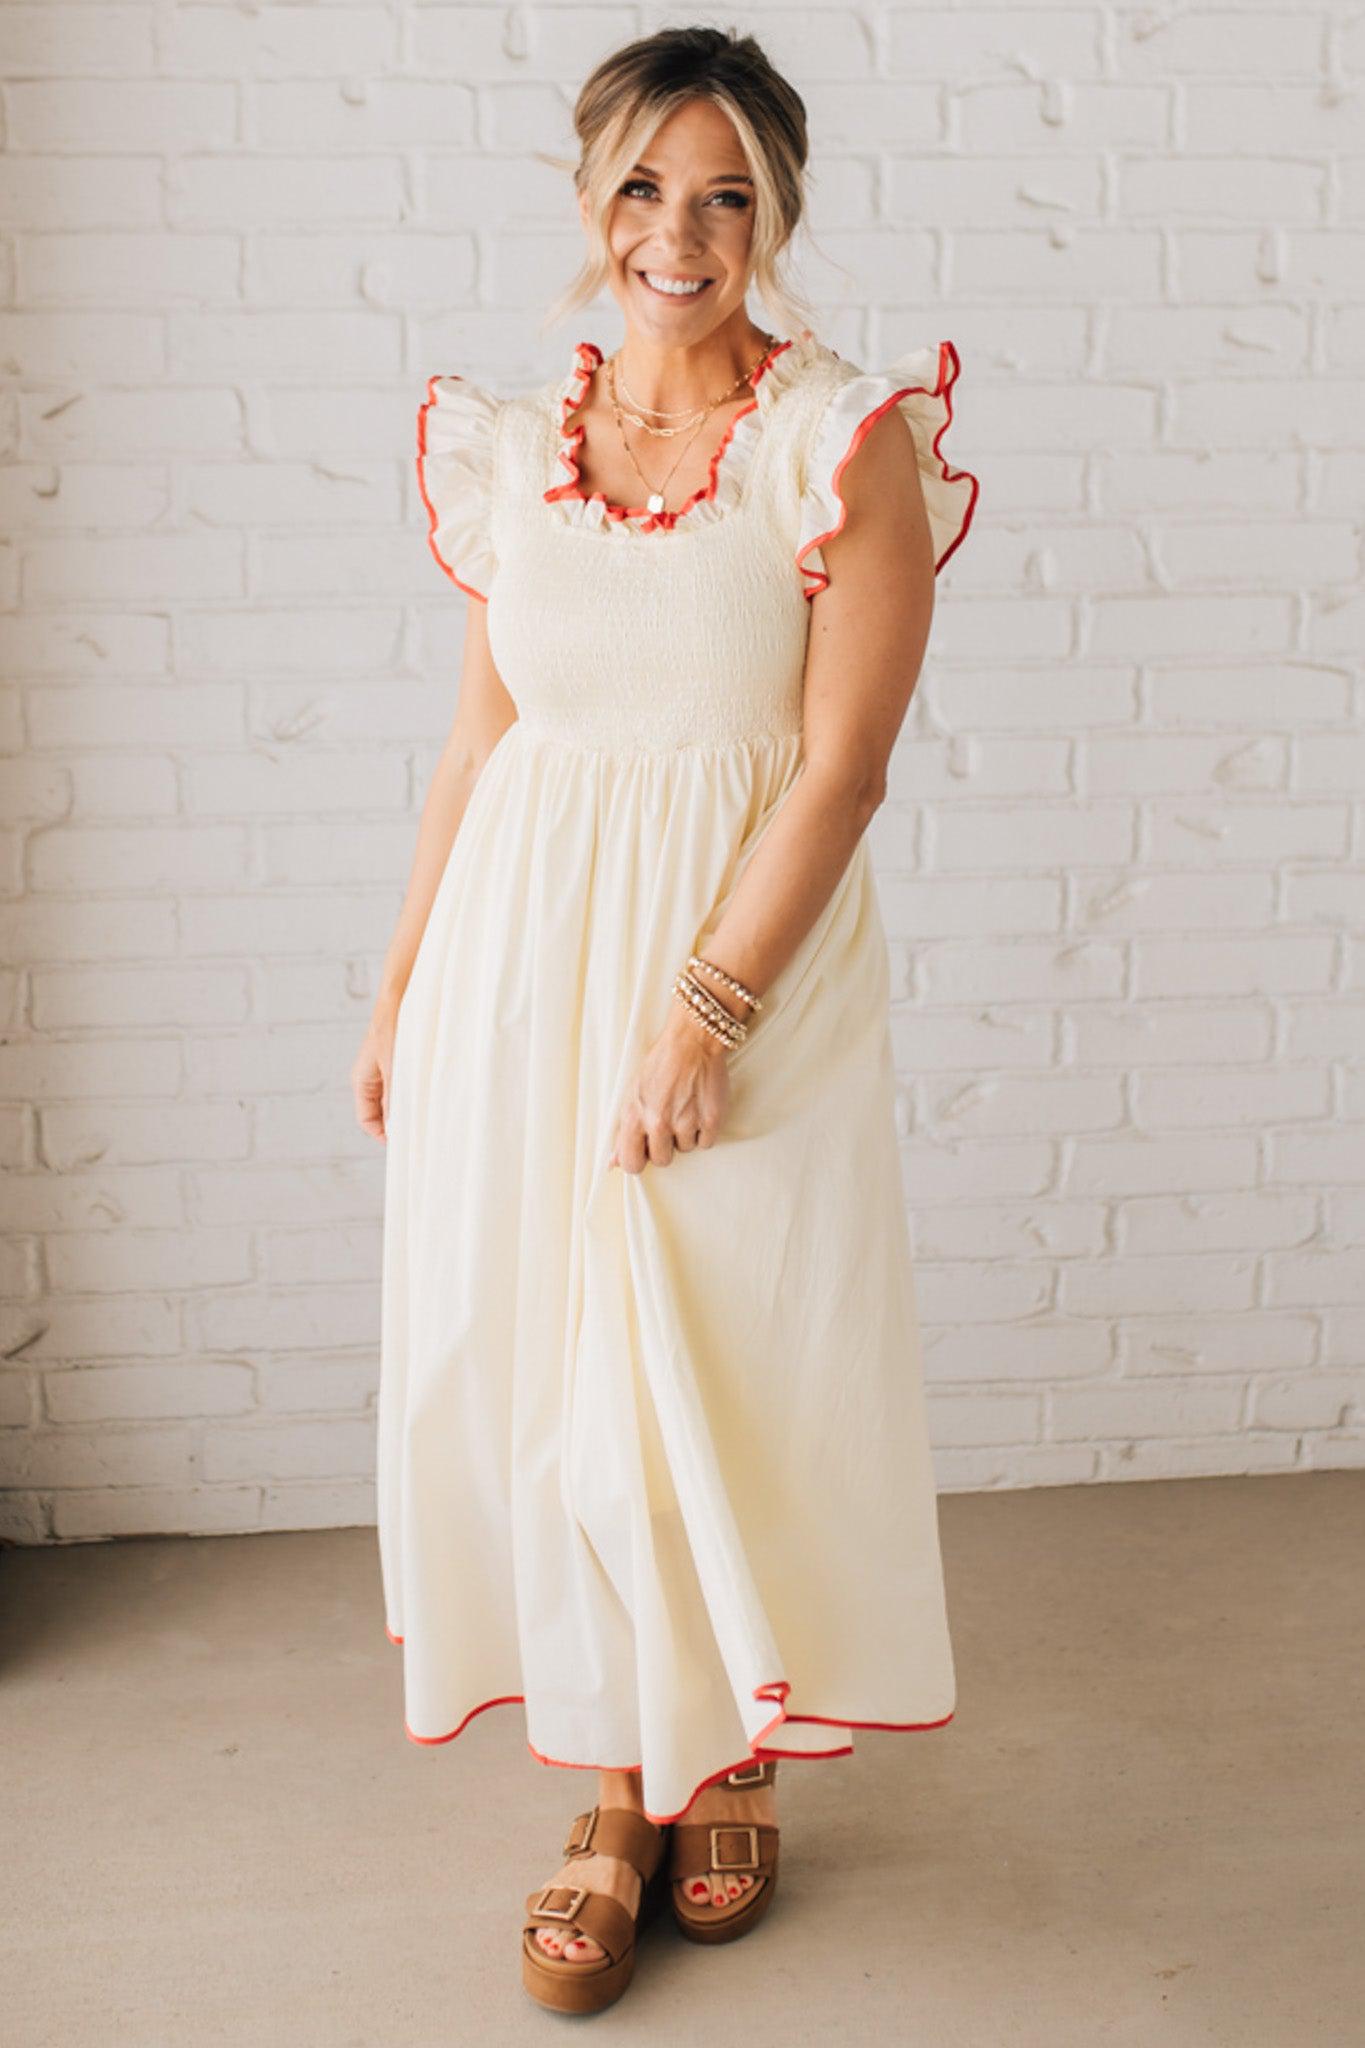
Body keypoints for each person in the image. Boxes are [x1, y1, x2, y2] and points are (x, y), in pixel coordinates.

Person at [350, 24, 980, 2018]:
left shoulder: (834, 441)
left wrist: (699, 1014)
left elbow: (838, 771)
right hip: (518, 966)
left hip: (739, 971)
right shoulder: (510, 444)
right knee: (547, 1380)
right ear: (583, 199)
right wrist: (402, 987)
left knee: (715, 1375)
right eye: (641, 187)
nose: (677, 233)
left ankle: (726, 1762)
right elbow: (478, 740)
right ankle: (611, 1791)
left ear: (774, 212)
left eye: (724, 194)